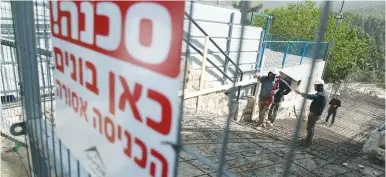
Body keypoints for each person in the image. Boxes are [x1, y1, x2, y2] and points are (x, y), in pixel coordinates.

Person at [294, 78, 328, 147]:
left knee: (310, 128)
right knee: (311, 128)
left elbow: (311, 96)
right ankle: (308, 140)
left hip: (314, 114)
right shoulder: (324, 92)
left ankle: (307, 142)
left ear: (319, 86)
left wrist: (300, 93)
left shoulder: (321, 94)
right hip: (316, 114)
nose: (314, 87)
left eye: (315, 85)